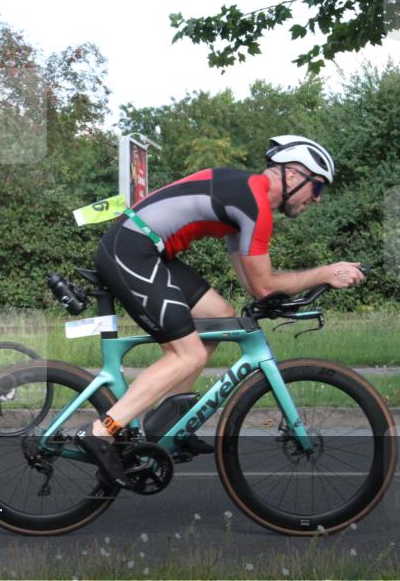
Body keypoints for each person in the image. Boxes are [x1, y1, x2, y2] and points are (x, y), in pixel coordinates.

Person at [75, 135, 366, 481]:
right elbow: (263, 285)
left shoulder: (244, 197)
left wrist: (279, 297)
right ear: (293, 176)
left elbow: (254, 285)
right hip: (132, 248)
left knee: (220, 319)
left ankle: (167, 423)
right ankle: (101, 432)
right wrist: (326, 273)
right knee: (188, 354)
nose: (317, 200)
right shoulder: (252, 203)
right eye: (317, 188)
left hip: (147, 249)